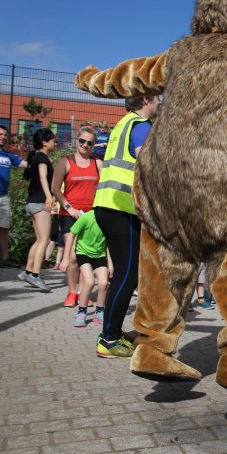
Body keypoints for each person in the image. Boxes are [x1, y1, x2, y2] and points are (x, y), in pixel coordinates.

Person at [94, 94, 161, 358]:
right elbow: (147, 166)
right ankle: (109, 338)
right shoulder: (141, 125)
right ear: (145, 99)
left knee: (122, 272)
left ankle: (112, 332)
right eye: (157, 97)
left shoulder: (123, 123)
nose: (160, 101)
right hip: (122, 208)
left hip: (106, 205)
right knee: (128, 274)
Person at [52, 126, 102, 307]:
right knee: (72, 256)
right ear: (77, 141)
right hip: (69, 215)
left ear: (94, 145)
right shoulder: (65, 162)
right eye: (82, 141)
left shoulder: (98, 164)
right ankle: (71, 292)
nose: (85, 145)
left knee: (86, 255)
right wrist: (68, 207)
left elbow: (103, 189)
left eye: (89, 143)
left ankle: (83, 292)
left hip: (90, 216)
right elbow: (55, 188)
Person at [17, 128, 56, 292]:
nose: (55, 142)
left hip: (32, 202)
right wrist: (49, 197)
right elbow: (42, 177)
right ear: (44, 142)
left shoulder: (39, 156)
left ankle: (27, 272)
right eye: (52, 139)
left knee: (40, 239)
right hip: (40, 203)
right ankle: (35, 275)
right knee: (44, 240)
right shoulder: (41, 158)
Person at [60, 210, 112, 327]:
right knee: (89, 282)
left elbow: (109, 242)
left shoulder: (109, 220)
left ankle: (99, 313)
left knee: (104, 284)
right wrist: (66, 258)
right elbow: (72, 234)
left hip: (100, 255)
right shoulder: (87, 217)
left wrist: (111, 263)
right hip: (83, 253)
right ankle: (81, 313)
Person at [0, 125, 27, 266]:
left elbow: (25, 164)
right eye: (0, 134)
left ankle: (4, 259)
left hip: (3, 197)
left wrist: (41, 161)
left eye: (5, 135)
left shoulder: (8, 156)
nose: (3, 137)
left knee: (4, 228)